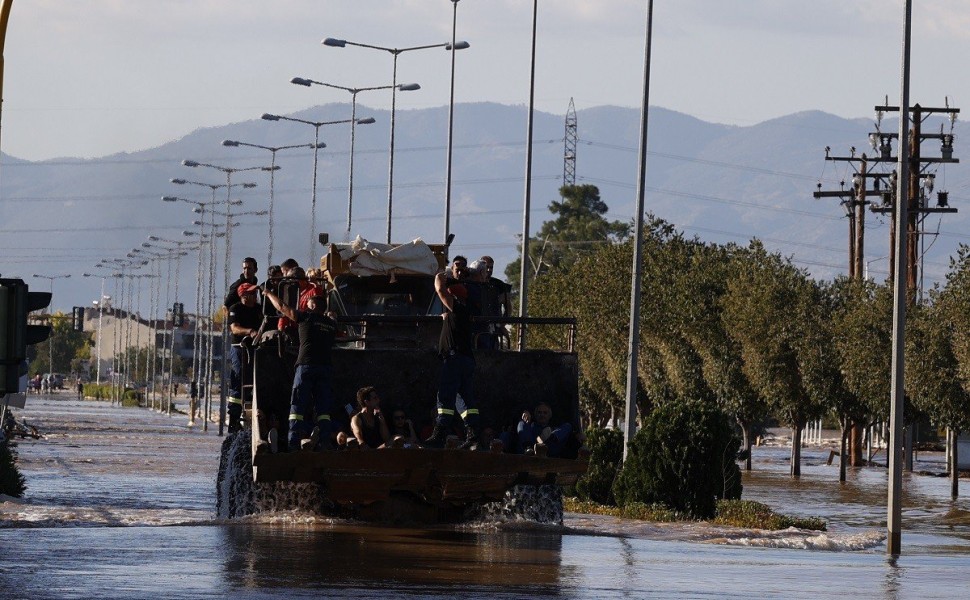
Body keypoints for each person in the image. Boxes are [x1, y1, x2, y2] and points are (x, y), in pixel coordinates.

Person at [264, 285, 338, 451]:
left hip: (306, 367)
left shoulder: (306, 318)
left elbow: (283, 308)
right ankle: (324, 441)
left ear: (312, 306)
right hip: (325, 368)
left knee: (297, 406)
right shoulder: (331, 325)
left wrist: (269, 294)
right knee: (323, 409)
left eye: (308, 303)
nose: (305, 306)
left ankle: (293, 442)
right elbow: (334, 322)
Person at [424, 271, 479, 449]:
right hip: (466, 360)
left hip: (454, 360)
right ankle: (473, 433)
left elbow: (440, 289)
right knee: (464, 397)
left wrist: (440, 275)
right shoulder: (463, 312)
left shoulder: (458, 308)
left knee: (445, 396)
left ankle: (440, 433)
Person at [227, 282, 263, 433]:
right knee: (239, 380)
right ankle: (234, 420)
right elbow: (234, 328)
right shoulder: (236, 309)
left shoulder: (258, 309)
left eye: (256, 294)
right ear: (243, 296)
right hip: (239, 349)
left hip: (256, 349)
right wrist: (250, 331)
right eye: (252, 294)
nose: (255, 296)